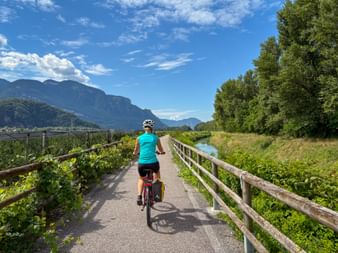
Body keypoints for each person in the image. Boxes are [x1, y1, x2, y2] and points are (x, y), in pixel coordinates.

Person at [133, 119, 165, 205]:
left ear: (144, 127)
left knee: (141, 178)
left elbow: (135, 150)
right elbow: (161, 149)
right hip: (153, 163)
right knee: (157, 174)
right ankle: (156, 194)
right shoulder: (155, 137)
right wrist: (161, 152)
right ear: (152, 128)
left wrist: (135, 153)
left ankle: (139, 196)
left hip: (142, 164)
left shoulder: (139, 138)